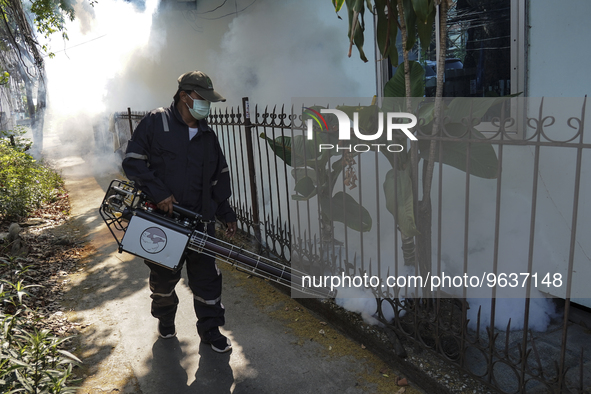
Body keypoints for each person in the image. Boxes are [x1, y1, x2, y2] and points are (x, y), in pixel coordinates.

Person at [122, 71, 237, 353]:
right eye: (202, 99)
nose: (206, 106)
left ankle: (210, 331)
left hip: (200, 222)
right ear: (184, 97)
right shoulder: (155, 122)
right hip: (164, 222)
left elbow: (217, 178)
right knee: (163, 281)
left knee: (207, 281)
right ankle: (165, 319)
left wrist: (226, 212)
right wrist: (158, 192)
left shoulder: (207, 134)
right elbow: (133, 161)